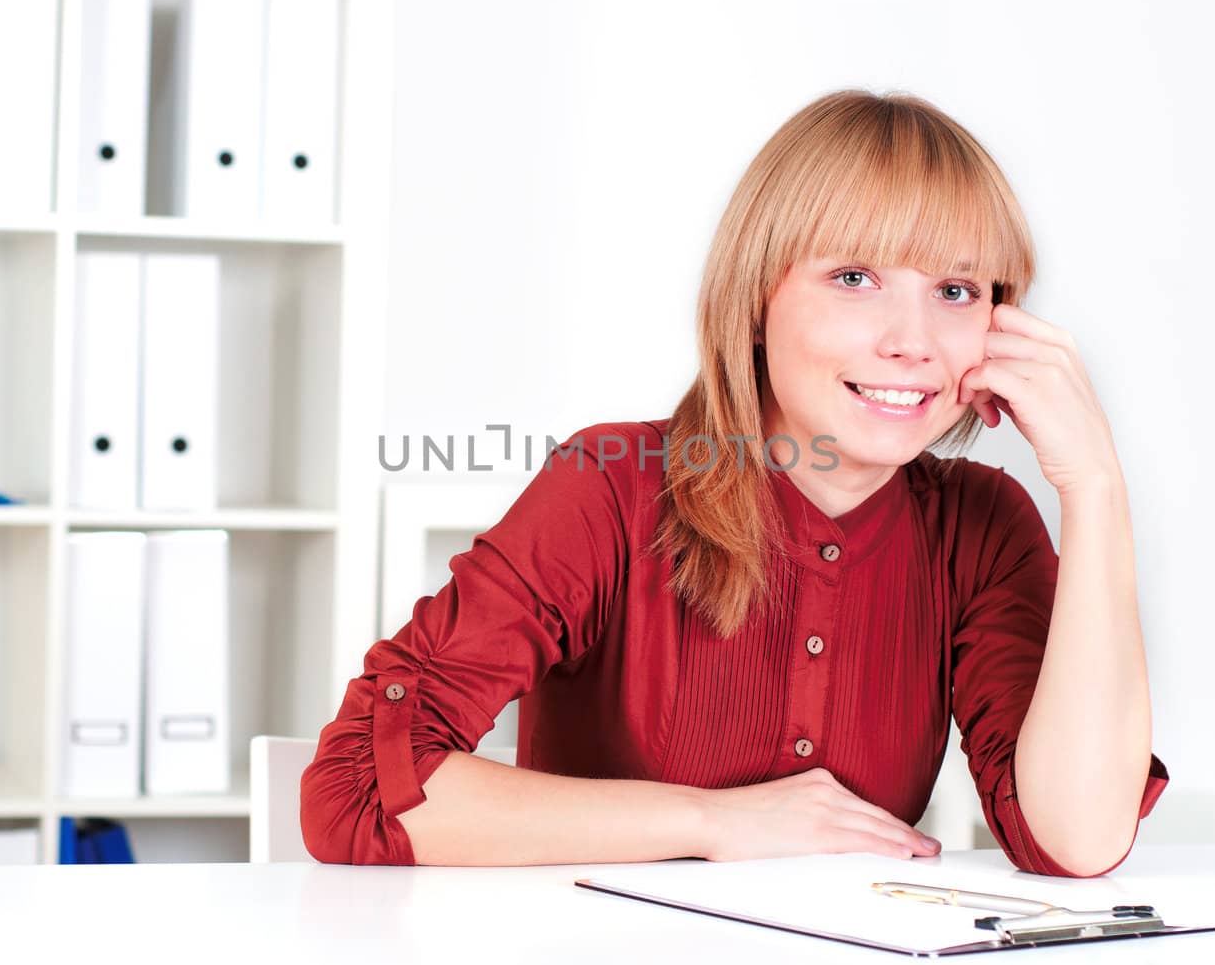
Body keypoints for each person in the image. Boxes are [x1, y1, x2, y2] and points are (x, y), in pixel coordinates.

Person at [301, 88, 1168, 874]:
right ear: (756, 302)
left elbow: (1075, 840)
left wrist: (1094, 487)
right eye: (855, 278)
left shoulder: (980, 527)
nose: (914, 341)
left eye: (954, 289)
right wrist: (711, 823)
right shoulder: (612, 485)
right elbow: (356, 792)